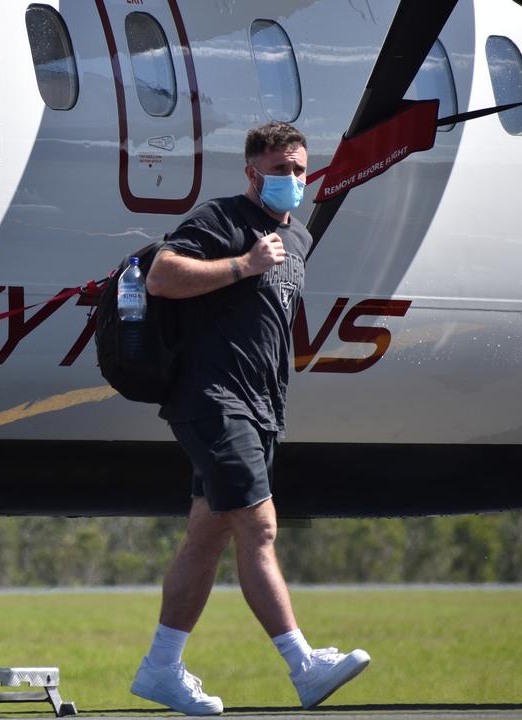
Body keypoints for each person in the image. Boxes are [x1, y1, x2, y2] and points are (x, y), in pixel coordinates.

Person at [131, 122, 369, 714]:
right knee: (259, 530)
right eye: (280, 169)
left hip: (261, 407)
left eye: (298, 169)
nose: (292, 180)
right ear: (252, 172)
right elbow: (161, 276)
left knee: (206, 535)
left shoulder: (302, 239)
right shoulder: (222, 221)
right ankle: (303, 665)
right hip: (213, 400)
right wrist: (244, 264)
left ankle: (161, 668)